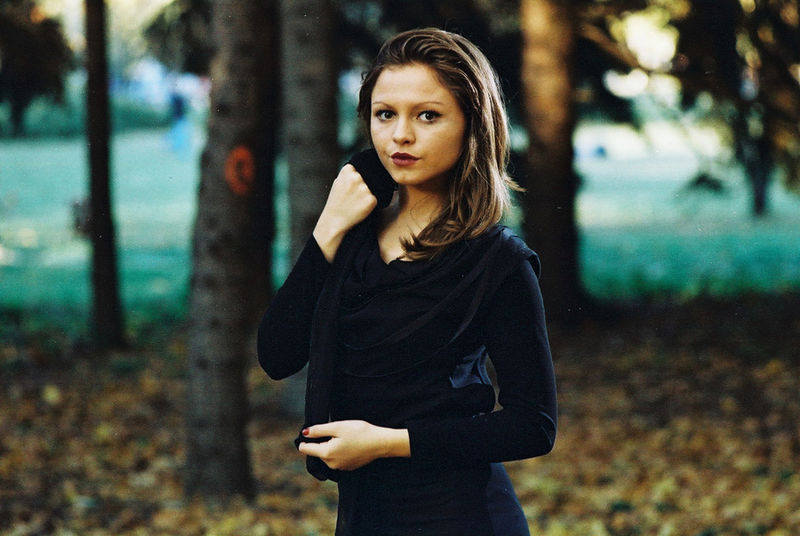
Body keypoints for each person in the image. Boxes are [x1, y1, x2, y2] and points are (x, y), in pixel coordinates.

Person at [258, 28, 557, 536]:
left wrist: (385, 443)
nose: (400, 135)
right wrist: (328, 228)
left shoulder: (498, 261)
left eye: (427, 115)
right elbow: (277, 355)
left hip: (460, 518)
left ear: (472, 125)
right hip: (365, 518)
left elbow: (533, 425)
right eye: (385, 114)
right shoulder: (352, 237)